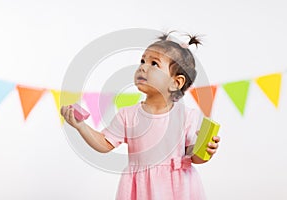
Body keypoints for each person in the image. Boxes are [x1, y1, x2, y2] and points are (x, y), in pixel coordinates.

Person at [60, 31, 220, 200]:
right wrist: (81, 126)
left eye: (154, 64)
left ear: (176, 82)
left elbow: (193, 156)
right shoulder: (128, 115)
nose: (143, 67)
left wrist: (206, 150)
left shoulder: (187, 116)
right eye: (142, 61)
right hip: (140, 190)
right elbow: (104, 144)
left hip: (178, 189)